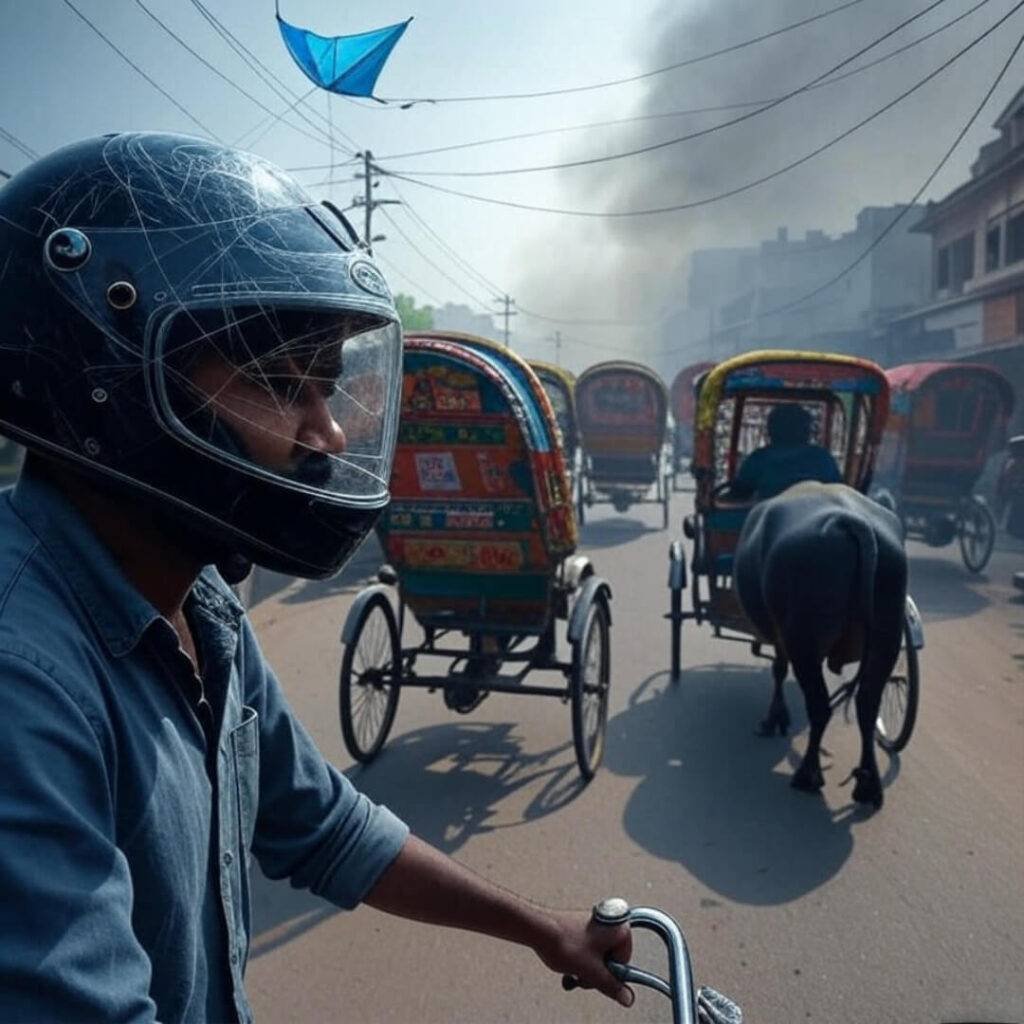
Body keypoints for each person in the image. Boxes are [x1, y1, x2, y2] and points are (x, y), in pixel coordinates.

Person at [0, 133, 632, 1022]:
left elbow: (324, 825)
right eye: (280, 383)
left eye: (327, 387)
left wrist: (543, 929)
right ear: (110, 376)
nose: (329, 433)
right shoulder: (25, 678)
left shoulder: (200, 603)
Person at [729, 402, 842, 502]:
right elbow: (838, 493)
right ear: (807, 430)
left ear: (771, 430)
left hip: (769, 521)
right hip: (816, 522)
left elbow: (738, 495)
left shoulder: (759, 458)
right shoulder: (821, 458)